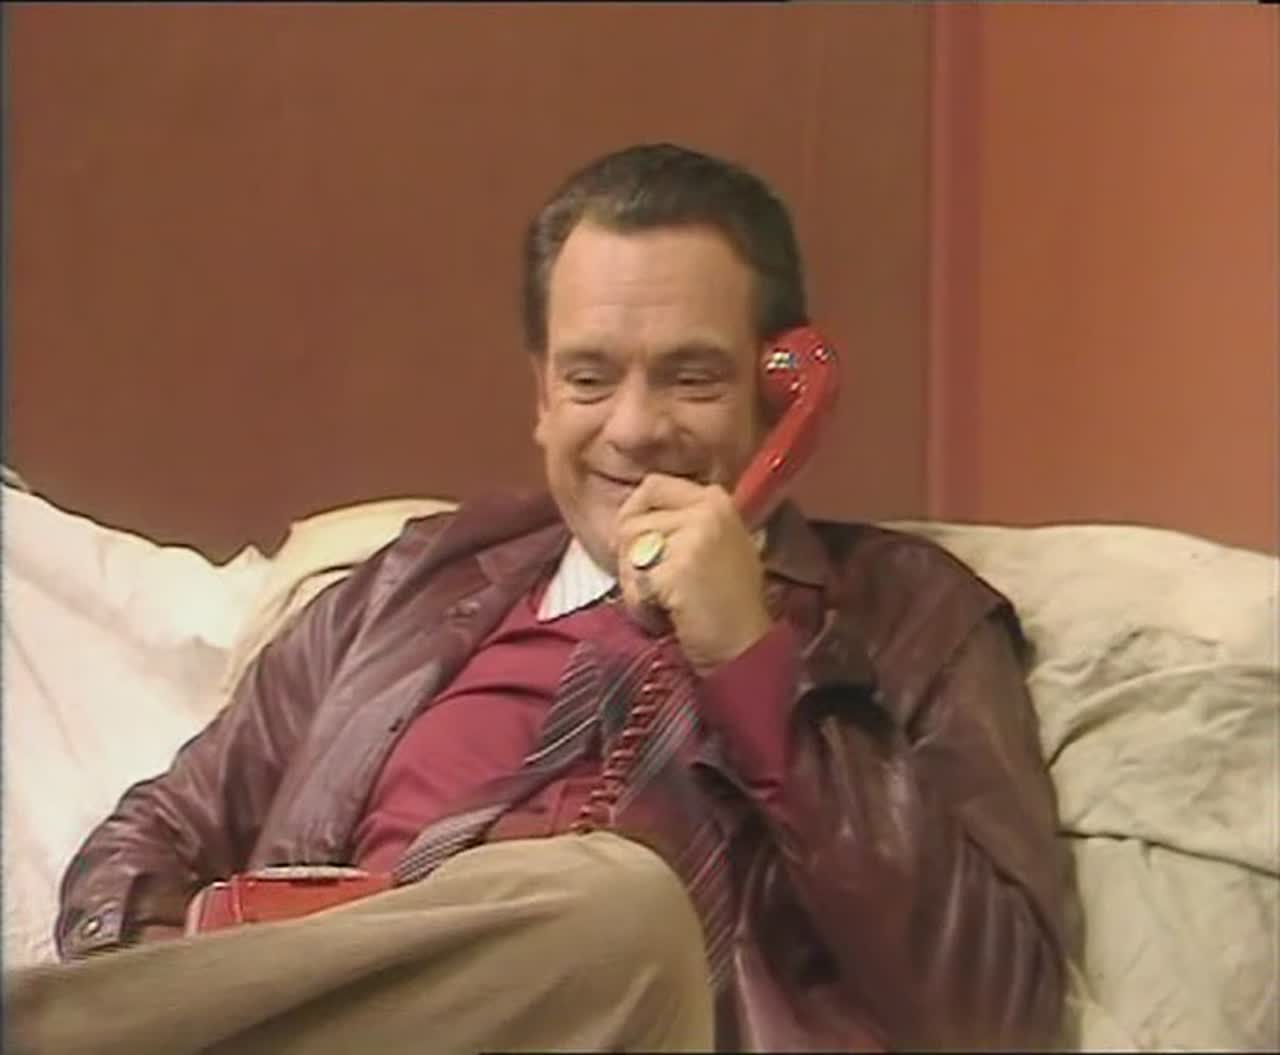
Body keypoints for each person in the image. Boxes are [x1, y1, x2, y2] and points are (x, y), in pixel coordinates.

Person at [6, 143, 1066, 1054]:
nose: (634, 429)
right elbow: (141, 846)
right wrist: (232, 977)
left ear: (778, 386)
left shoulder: (909, 618)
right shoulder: (408, 588)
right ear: (542, 397)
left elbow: (999, 1006)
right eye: (590, 378)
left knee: (619, 908)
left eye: (691, 376)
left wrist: (750, 656)